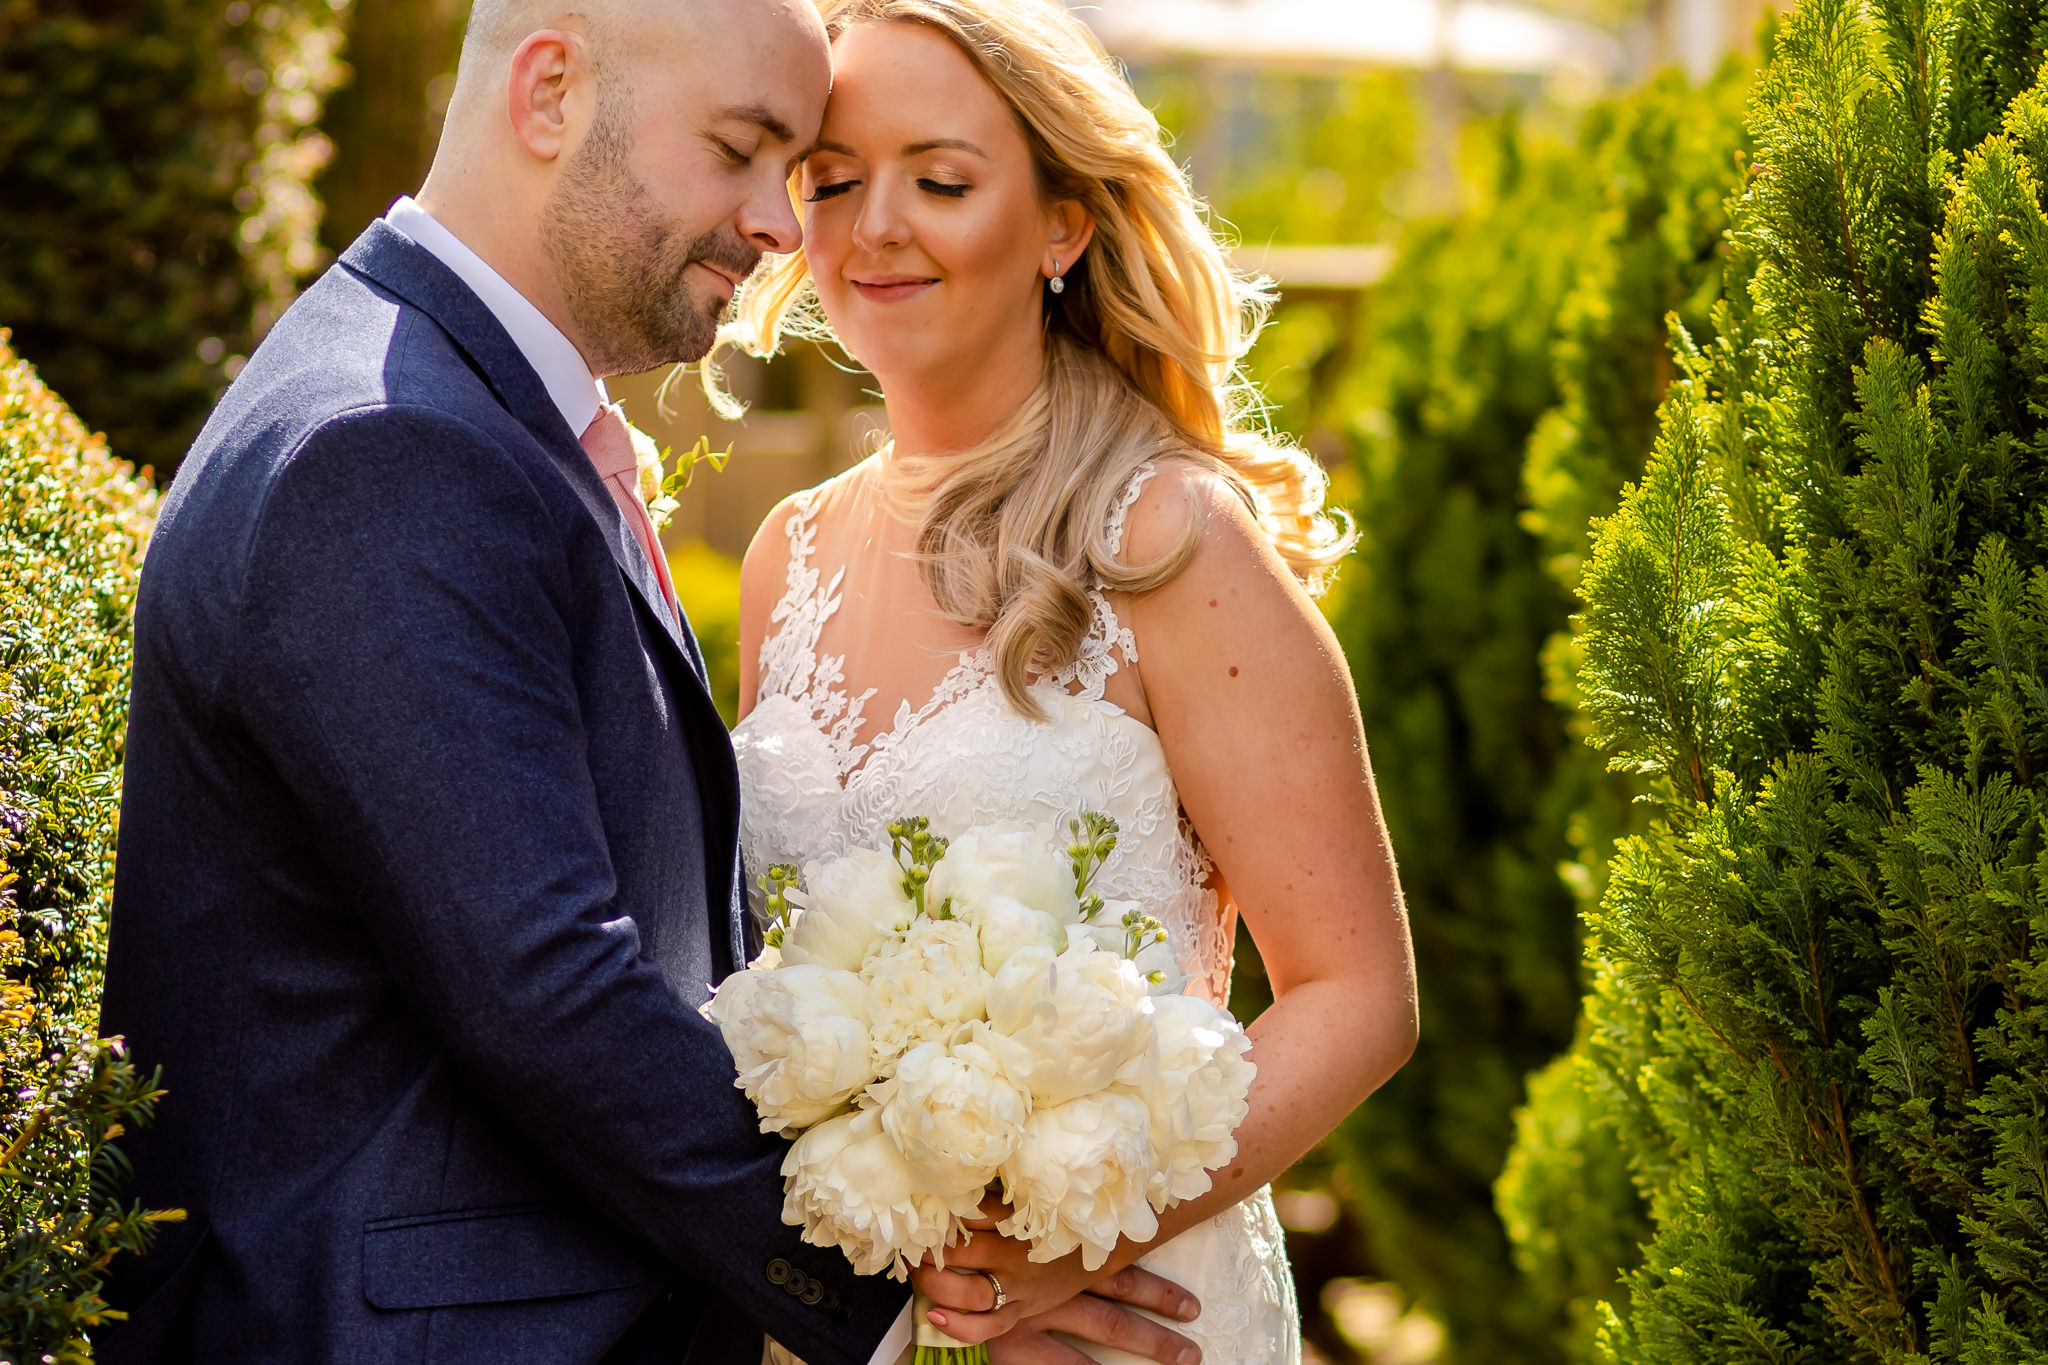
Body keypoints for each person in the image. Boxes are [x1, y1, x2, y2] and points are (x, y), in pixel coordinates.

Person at [94, 0, 1198, 1360]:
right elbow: (546, 979)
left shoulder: (477, 413)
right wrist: (917, 1297)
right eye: (743, 150)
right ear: (550, 94)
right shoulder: (386, 449)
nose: (787, 225)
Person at [727, 1, 1420, 1361]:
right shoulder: (781, 556)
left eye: (940, 181)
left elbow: (1358, 991)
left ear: (1063, 223)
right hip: (867, 1316)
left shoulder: (1168, 541)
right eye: (833, 180)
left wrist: (1067, 1235)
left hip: (1133, 1314)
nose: (874, 230)